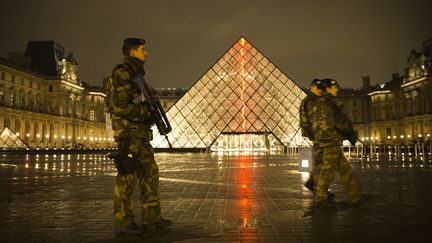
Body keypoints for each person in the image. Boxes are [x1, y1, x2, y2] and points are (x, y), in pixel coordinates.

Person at [105, 38, 172, 234]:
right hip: (129, 135)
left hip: (141, 135)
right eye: (143, 49)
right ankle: (123, 221)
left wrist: (151, 116)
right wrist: (146, 113)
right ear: (133, 52)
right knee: (127, 178)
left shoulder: (137, 76)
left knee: (150, 176)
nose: (147, 53)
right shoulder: (122, 74)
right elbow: (120, 107)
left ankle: (152, 218)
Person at [312, 78, 366, 206]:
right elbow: (340, 122)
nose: (337, 89)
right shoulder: (329, 103)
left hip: (325, 141)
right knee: (328, 172)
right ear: (328, 88)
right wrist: (349, 133)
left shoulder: (318, 103)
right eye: (335, 87)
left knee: (345, 169)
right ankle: (321, 199)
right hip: (331, 142)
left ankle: (355, 195)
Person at [299, 79, 325, 192]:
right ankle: (319, 188)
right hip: (318, 135)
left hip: (316, 135)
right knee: (321, 161)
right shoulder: (310, 101)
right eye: (318, 87)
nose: (321, 90)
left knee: (320, 161)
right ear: (312, 87)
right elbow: (315, 120)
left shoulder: (311, 100)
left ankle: (315, 183)